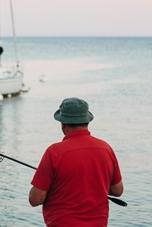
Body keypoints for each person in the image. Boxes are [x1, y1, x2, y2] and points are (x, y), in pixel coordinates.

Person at [29, 97, 123, 226]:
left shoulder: (54, 152)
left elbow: (35, 199)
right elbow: (117, 190)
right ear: (87, 121)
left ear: (63, 124)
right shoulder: (105, 148)